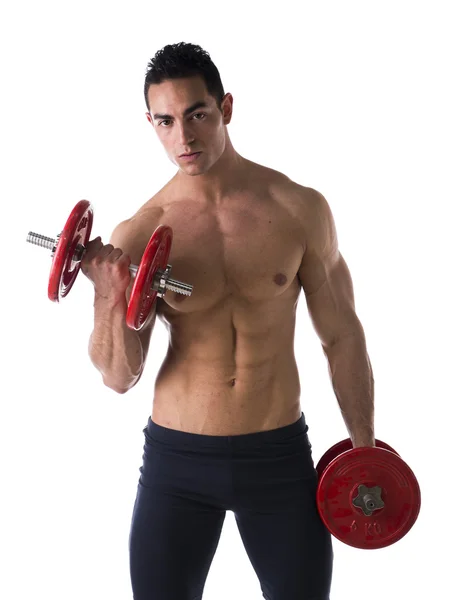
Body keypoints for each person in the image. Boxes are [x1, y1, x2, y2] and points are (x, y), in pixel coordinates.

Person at [81, 42, 375, 600]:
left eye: (197, 115)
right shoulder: (139, 232)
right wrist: (107, 296)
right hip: (177, 464)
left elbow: (342, 335)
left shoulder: (299, 209)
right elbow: (120, 376)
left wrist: (362, 448)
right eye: (165, 122)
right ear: (151, 124)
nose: (183, 138)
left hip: (279, 459)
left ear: (227, 109)